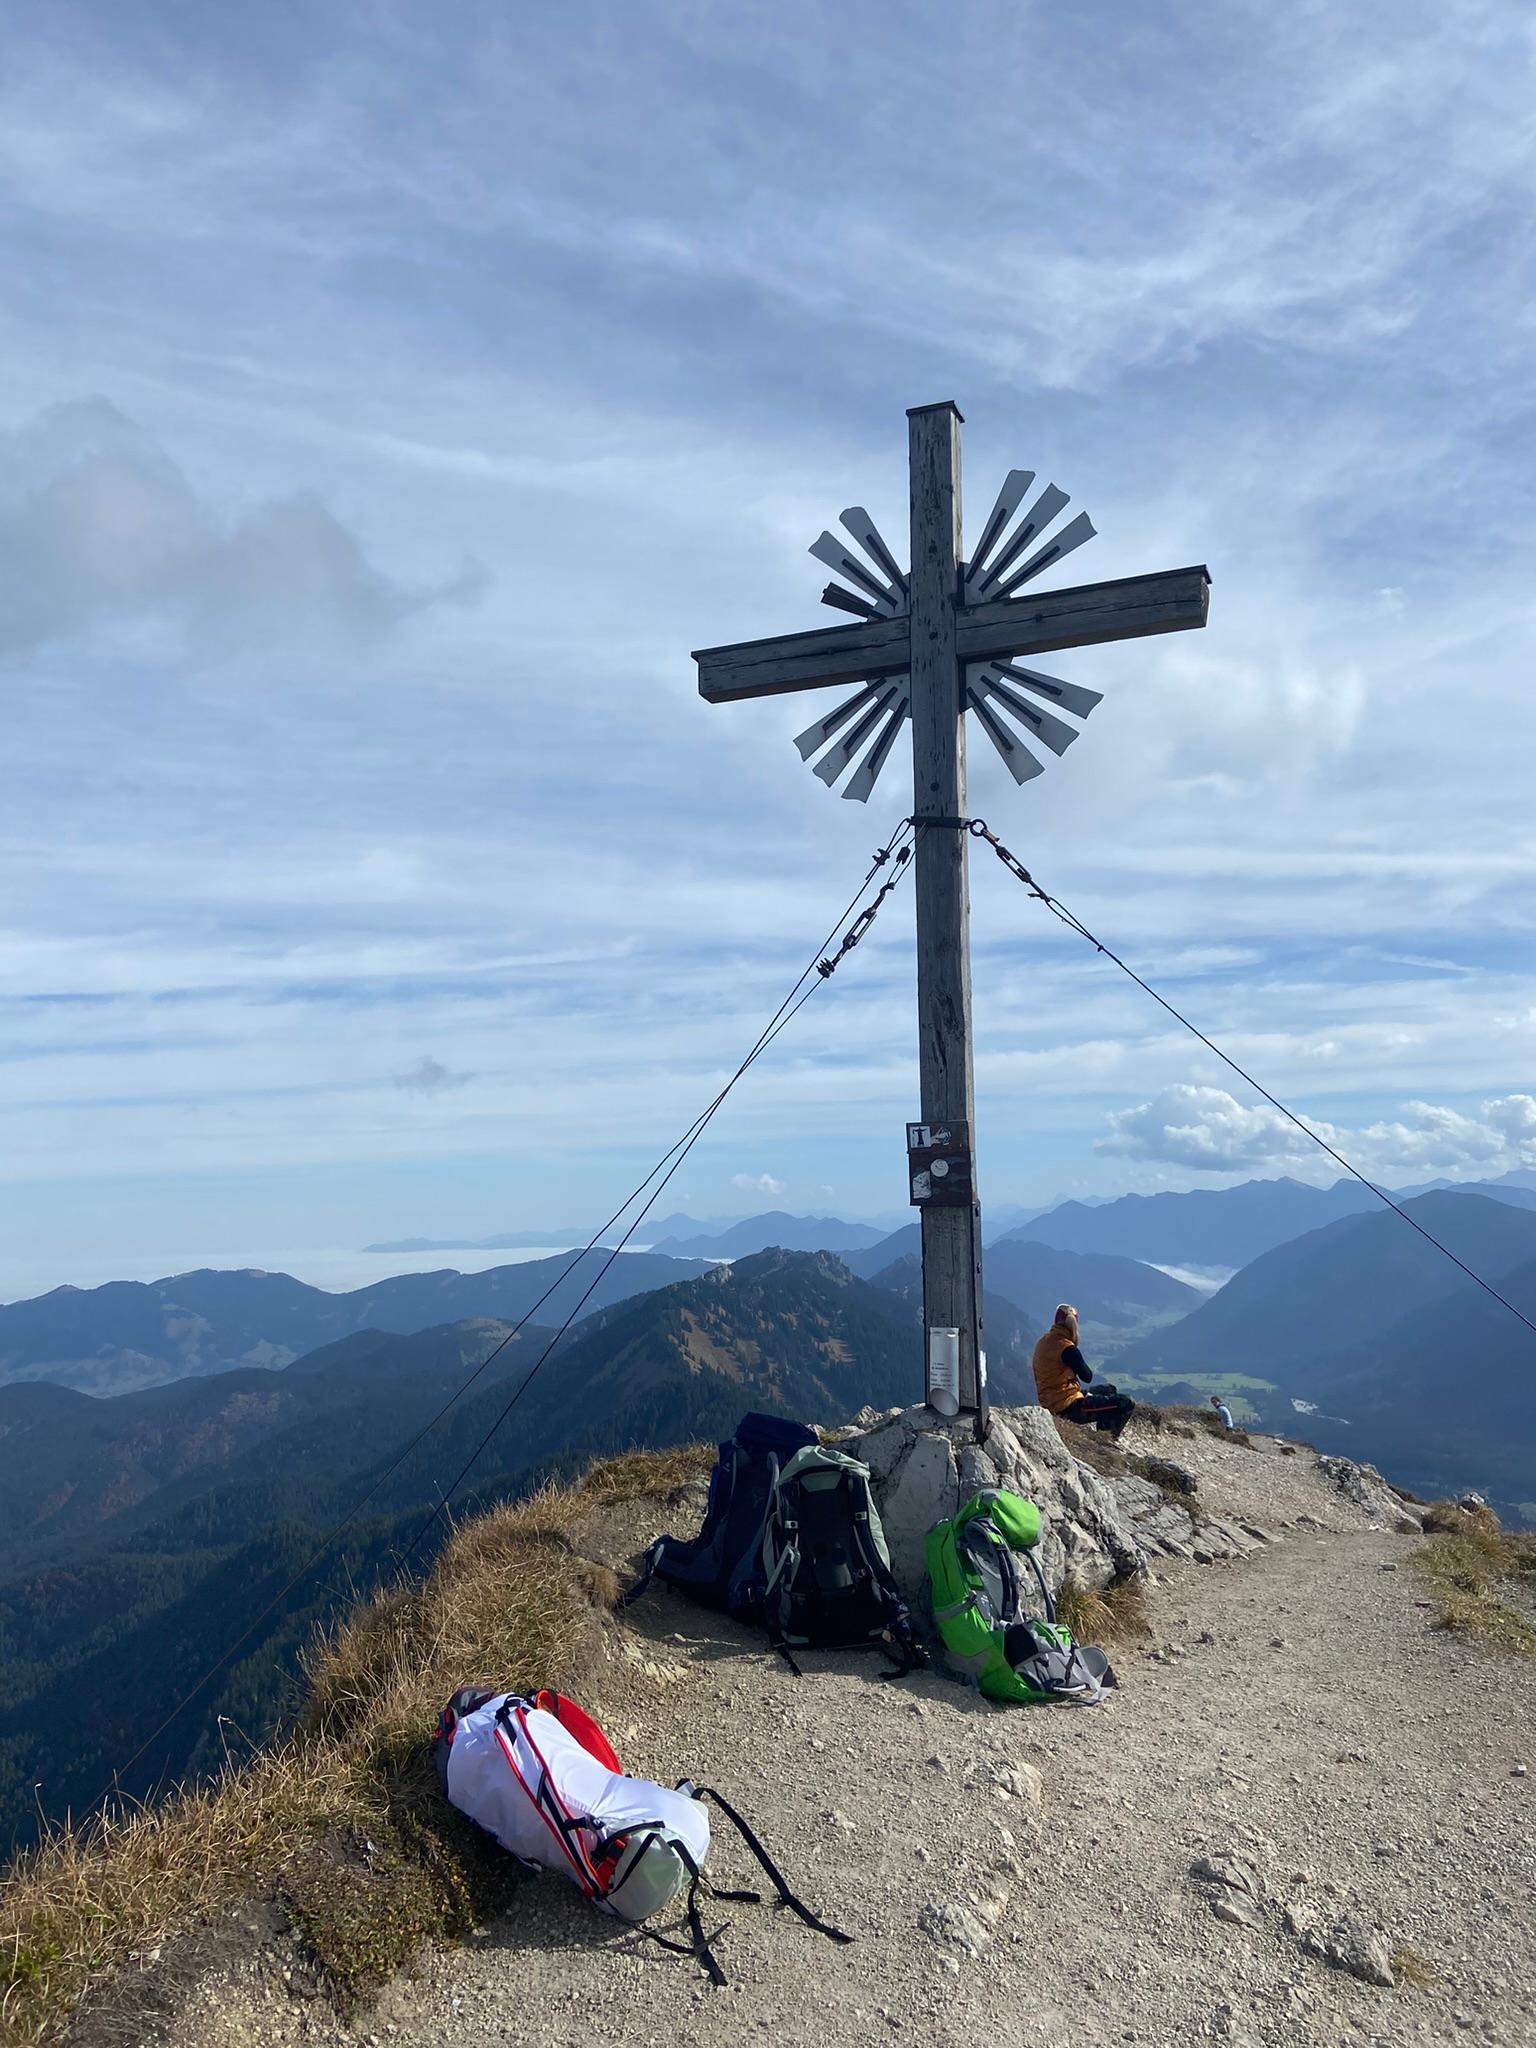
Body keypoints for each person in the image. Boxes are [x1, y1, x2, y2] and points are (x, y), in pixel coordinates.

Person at [1031, 1304, 1136, 1441]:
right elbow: (1087, 1376)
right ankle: (1106, 1439)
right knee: (1126, 1402)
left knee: (1110, 1389)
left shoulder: (1043, 1341)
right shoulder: (1067, 1348)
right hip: (1067, 1408)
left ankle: (1103, 1428)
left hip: (1050, 1401)